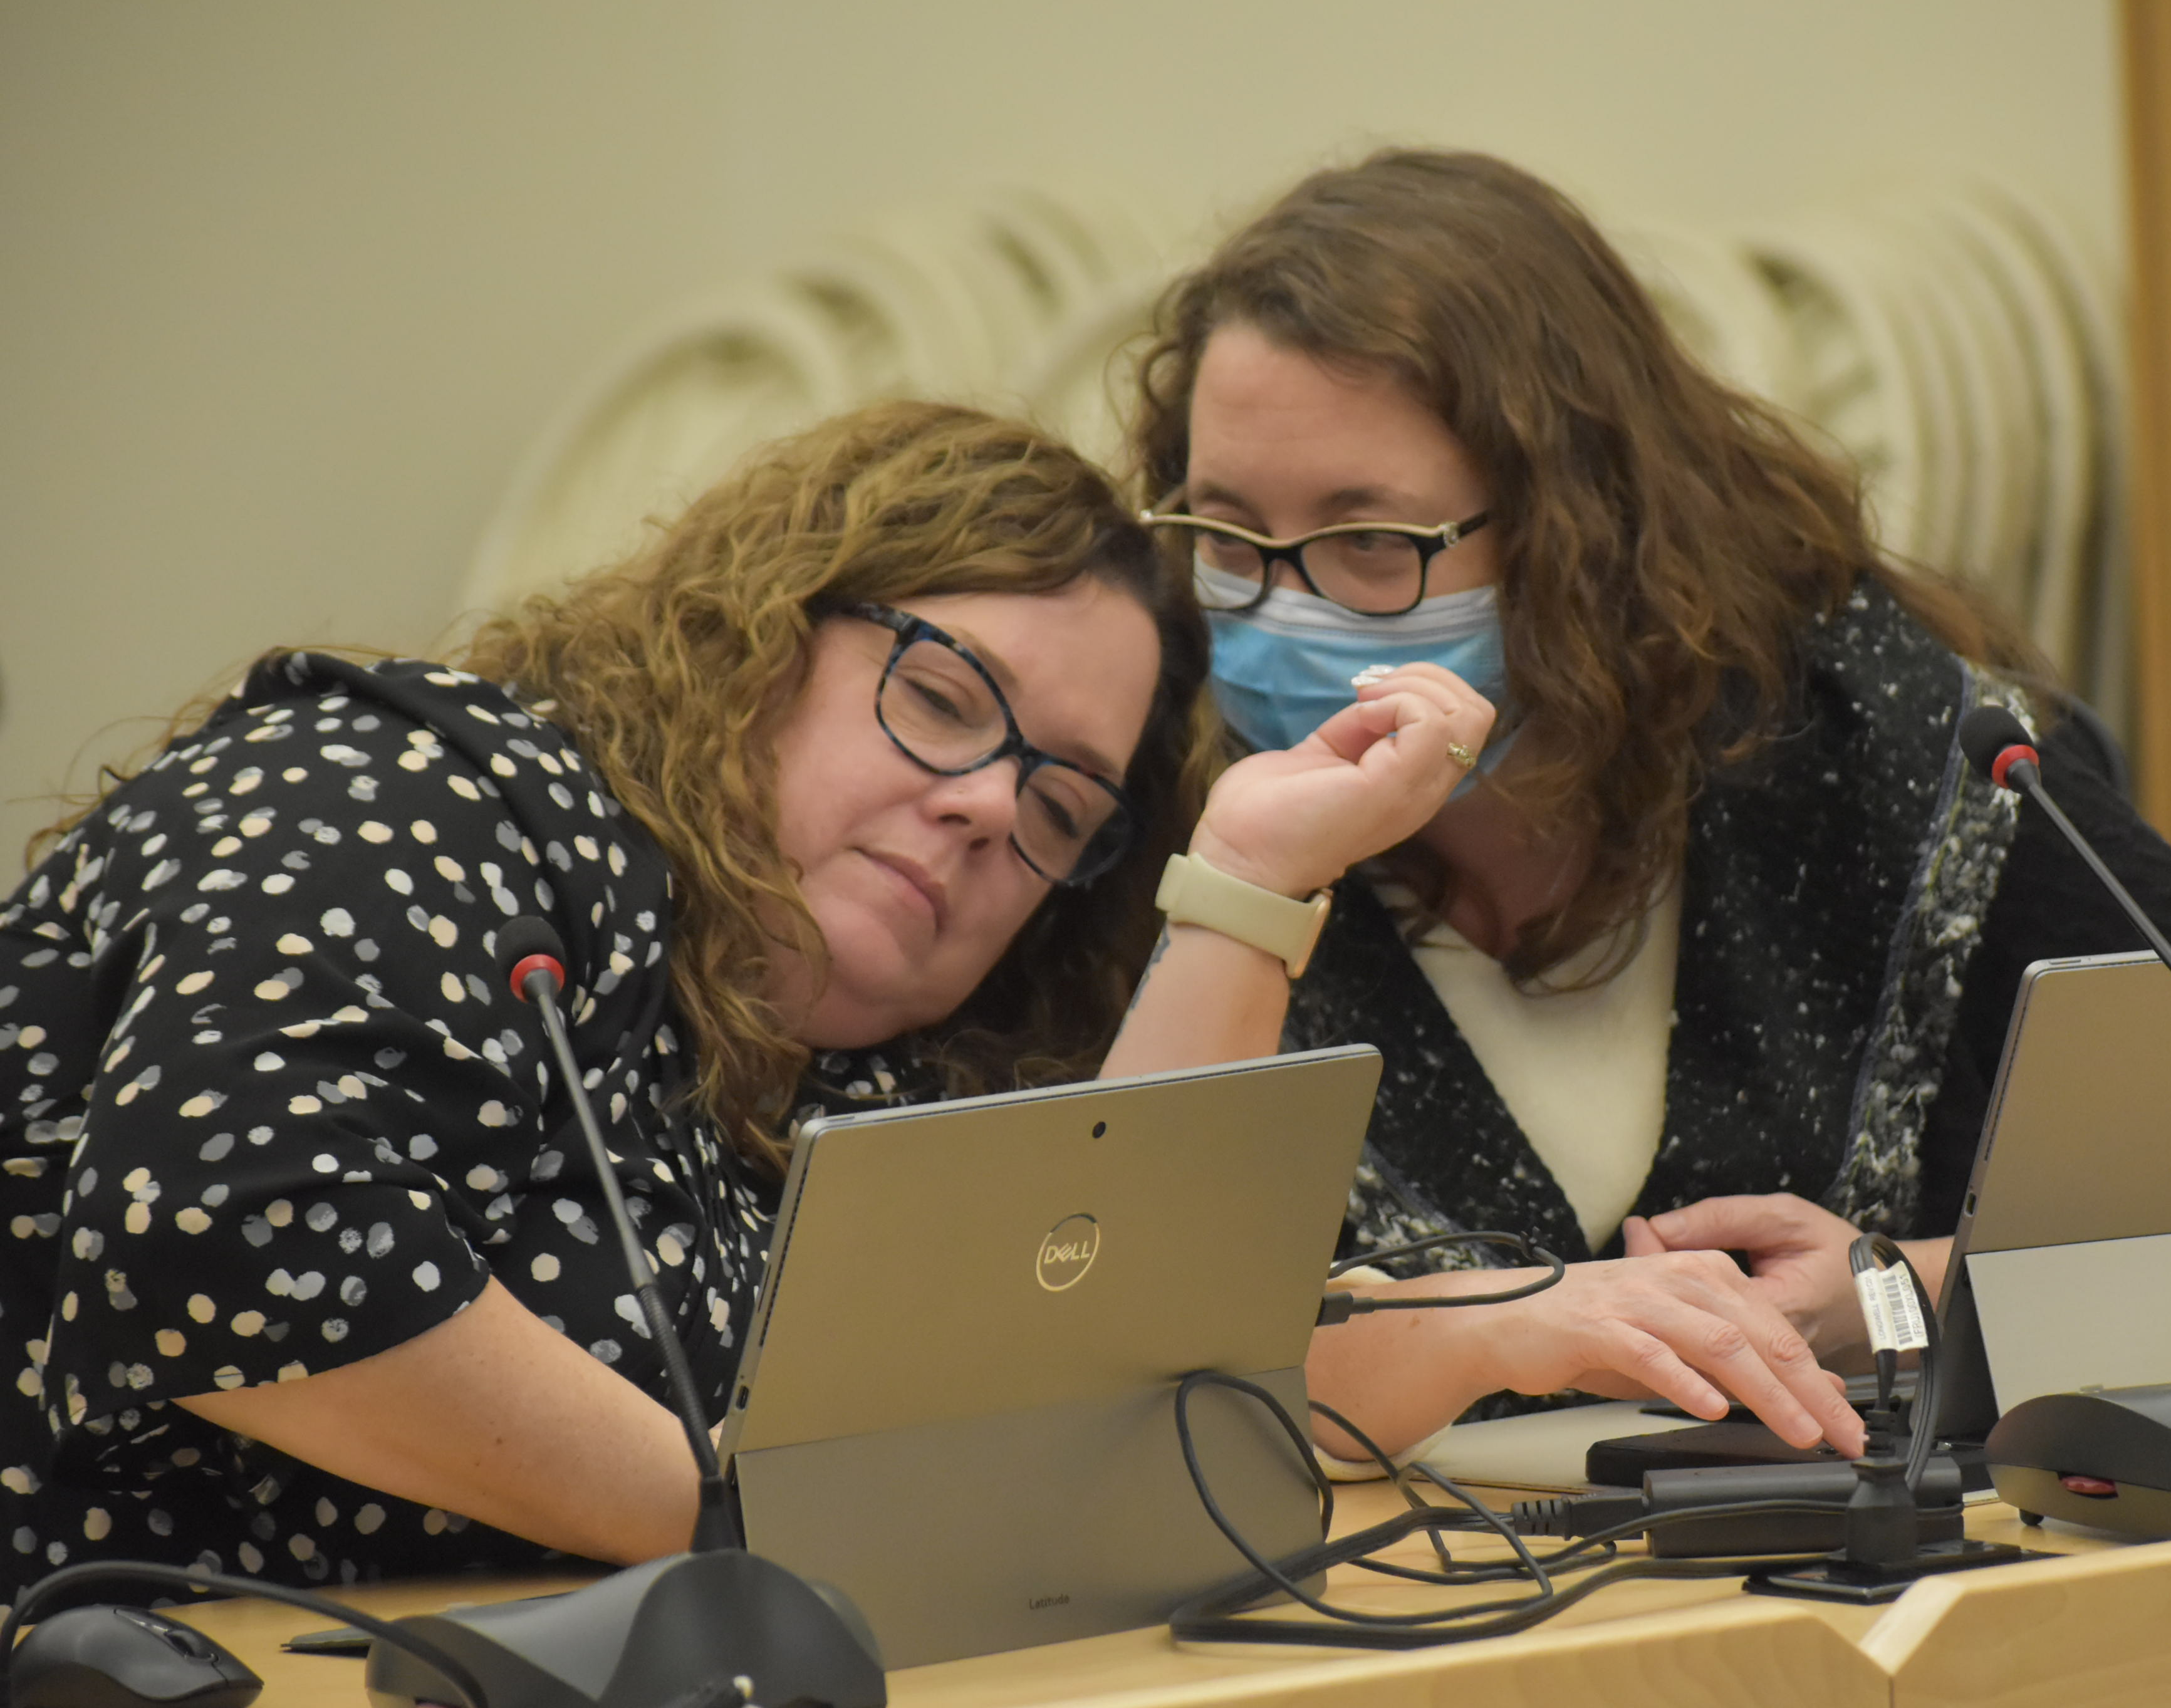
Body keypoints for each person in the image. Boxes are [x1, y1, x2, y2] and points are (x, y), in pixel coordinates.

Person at [0, 400, 1488, 1600]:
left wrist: (1243, 878)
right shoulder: (409, 790)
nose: (987, 807)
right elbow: (228, 1231)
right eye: (944, 700)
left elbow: (1164, 1370)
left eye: (1059, 806)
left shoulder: (900, 1067)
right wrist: (760, 1532)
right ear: (757, 637)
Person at [1128, 150, 2171, 1464]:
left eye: (1370, 542)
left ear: (1574, 528)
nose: (1280, 613)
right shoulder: (1155, 796)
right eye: (1227, 538)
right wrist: (1246, 888)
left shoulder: (1859, 732)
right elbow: (1116, 1357)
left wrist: (1905, 1291)